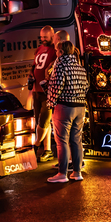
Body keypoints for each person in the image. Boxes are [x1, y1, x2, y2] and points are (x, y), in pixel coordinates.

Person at [46, 41, 89, 183]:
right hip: (80, 107)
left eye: (57, 51)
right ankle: (77, 172)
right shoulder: (79, 67)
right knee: (76, 140)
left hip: (64, 107)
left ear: (61, 52)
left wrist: (50, 102)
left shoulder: (60, 66)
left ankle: (61, 174)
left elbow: (56, 88)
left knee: (61, 140)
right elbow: (86, 87)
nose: (56, 53)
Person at [28, 26, 57, 162]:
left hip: (47, 91)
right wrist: (30, 74)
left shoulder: (55, 50)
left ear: (52, 36)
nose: (43, 39)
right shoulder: (39, 49)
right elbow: (34, 65)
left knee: (43, 121)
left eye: (45, 37)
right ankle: (48, 150)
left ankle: (36, 145)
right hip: (36, 90)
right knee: (41, 121)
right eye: (41, 37)